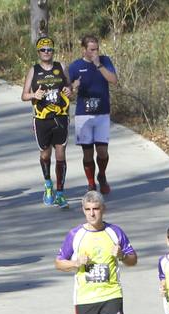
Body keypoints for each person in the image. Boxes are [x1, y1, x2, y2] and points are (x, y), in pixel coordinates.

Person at [22, 36, 73, 207]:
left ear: (53, 51)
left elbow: (69, 87)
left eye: (49, 49)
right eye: (43, 50)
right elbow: (24, 95)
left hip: (60, 116)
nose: (46, 52)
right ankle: (48, 184)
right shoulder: (33, 70)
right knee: (45, 154)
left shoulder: (61, 67)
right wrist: (33, 95)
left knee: (60, 153)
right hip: (42, 119)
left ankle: (60, 192)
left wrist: (68, 89)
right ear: (38, 52)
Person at [66, 35, 118, 194]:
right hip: (84, 114)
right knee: (87, 153)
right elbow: (67, 93)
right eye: (91, 49)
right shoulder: (75, 66)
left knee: (102, 151)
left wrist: (99, 65)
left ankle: (101, 176)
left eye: (97, 49)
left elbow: (114, 80)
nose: (95, 52)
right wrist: (74, 87)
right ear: (84, 50)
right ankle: (91, 183)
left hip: (102, 113)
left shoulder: (105, 61)